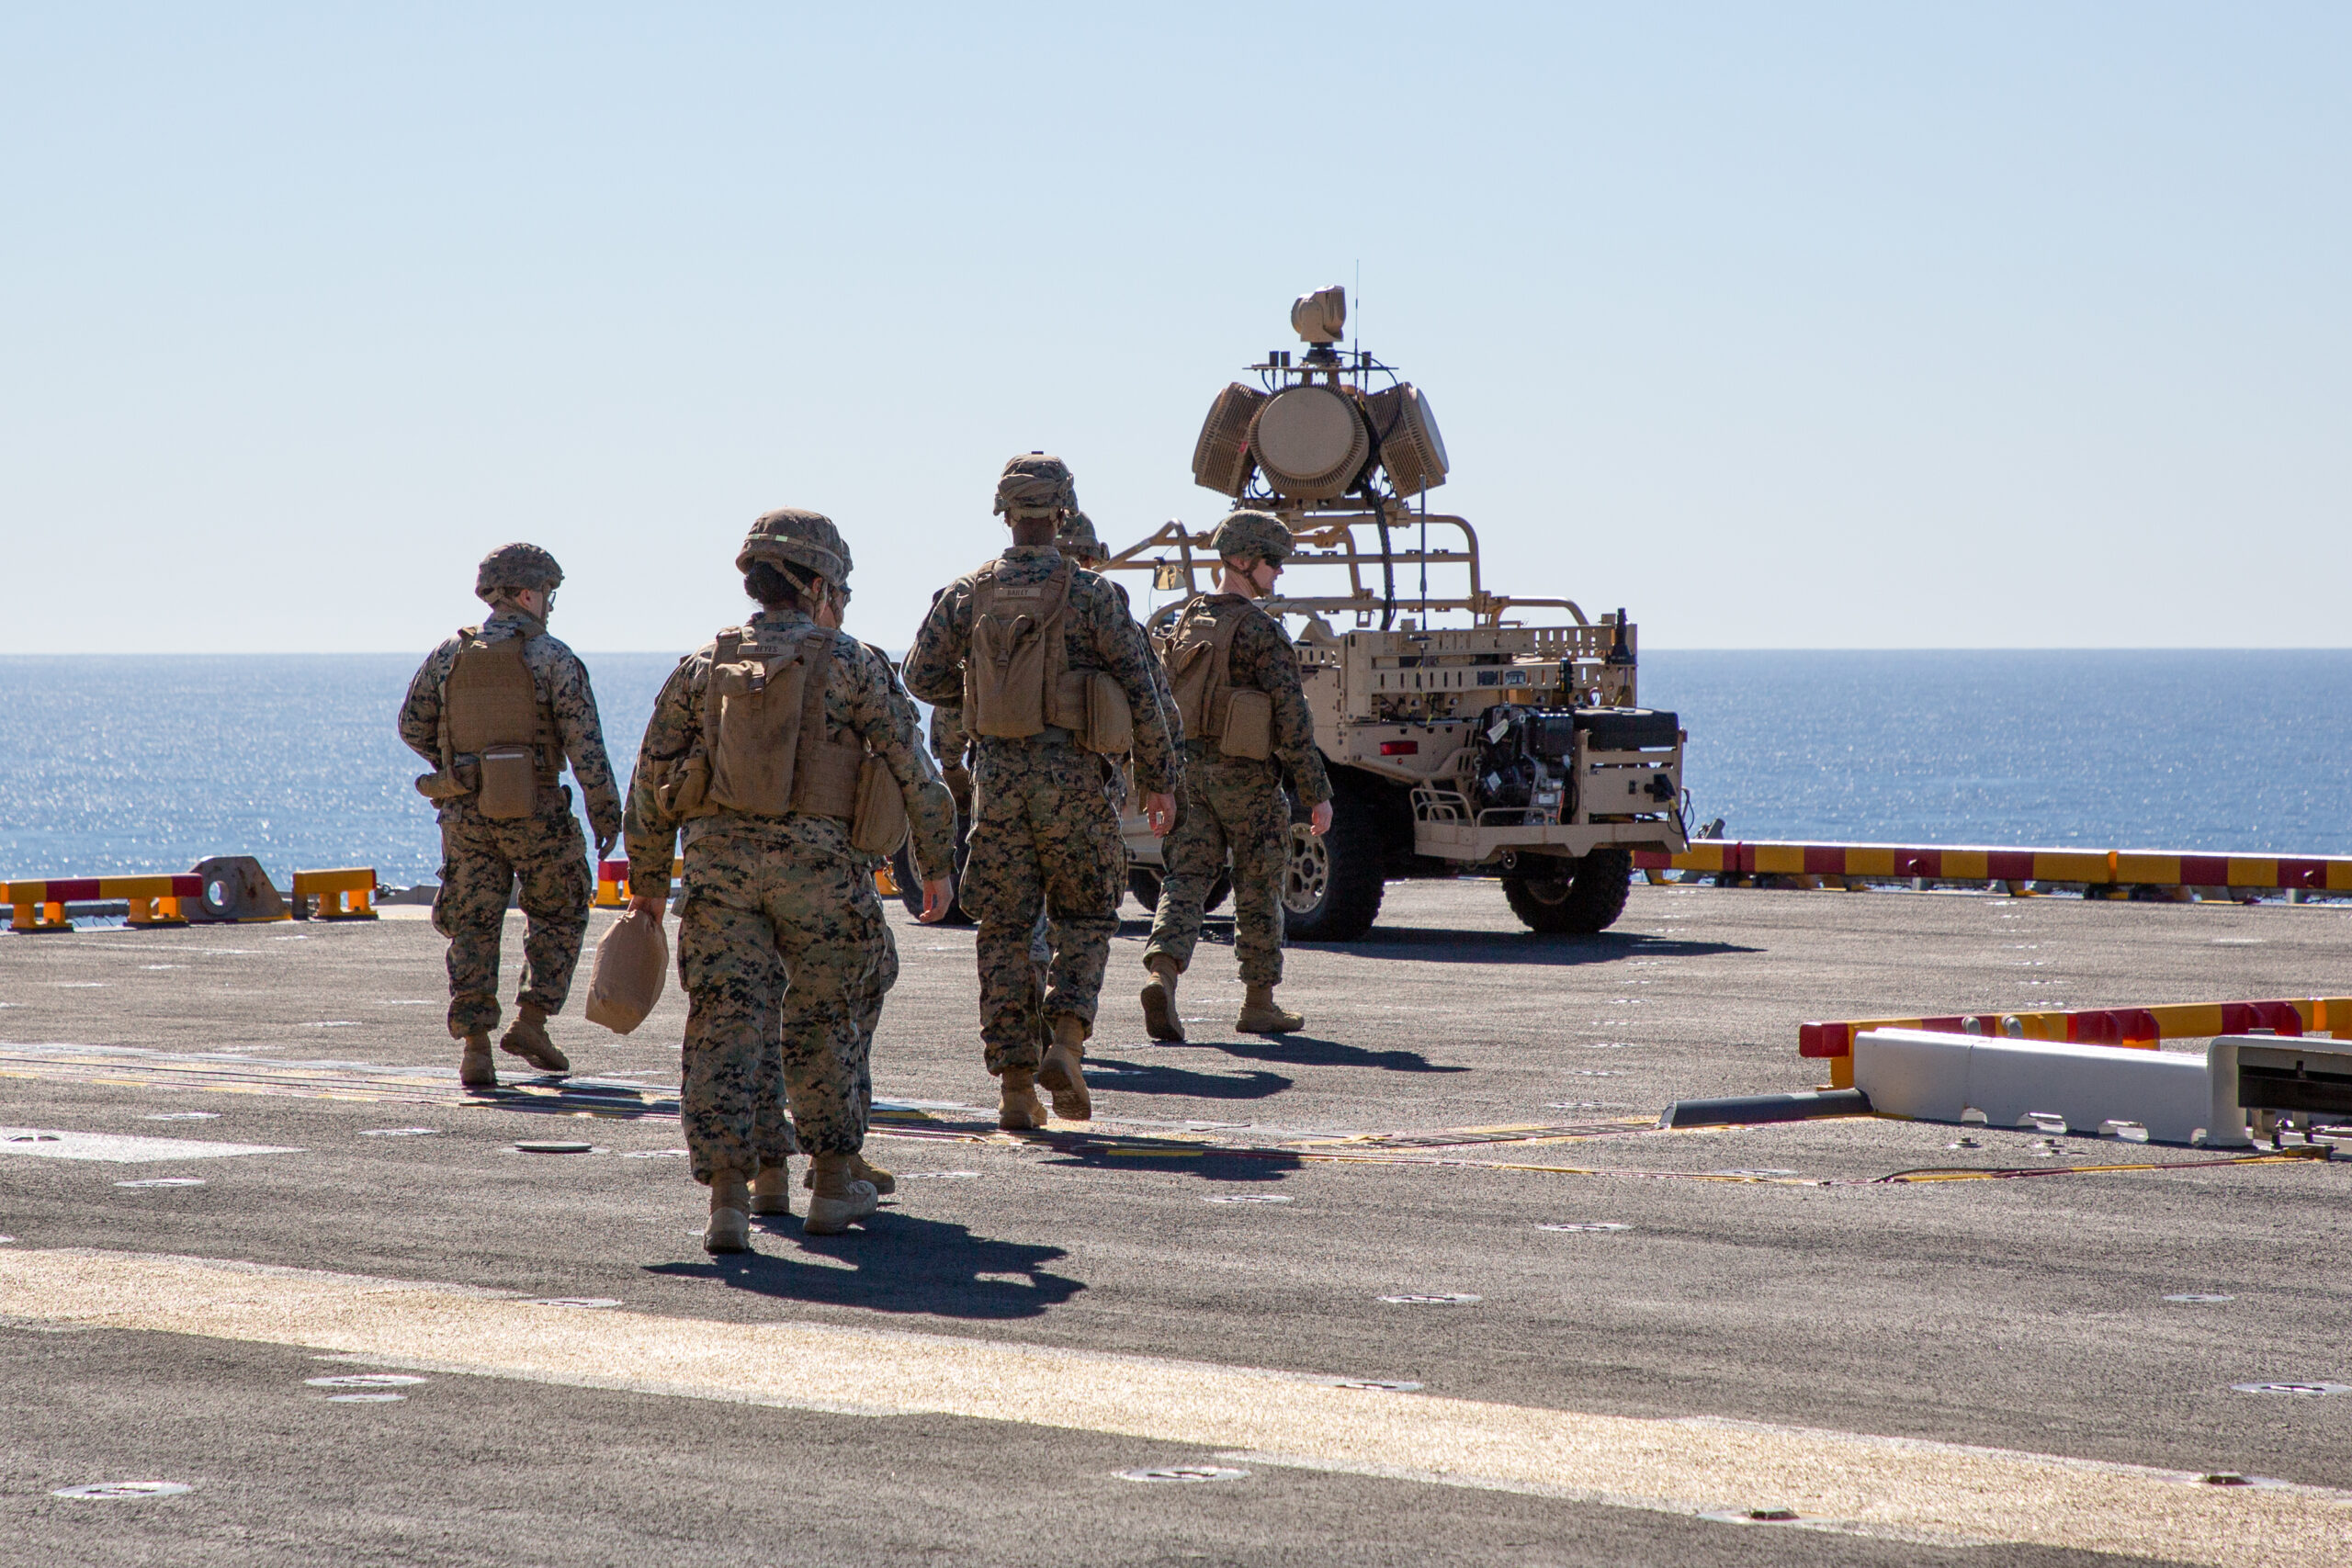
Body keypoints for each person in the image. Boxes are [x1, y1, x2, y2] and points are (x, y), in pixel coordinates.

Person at [624, 509, 955, 1250]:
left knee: (725, 1022)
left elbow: (650, 776)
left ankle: (733, 1200)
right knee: (828, 1014)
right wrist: (935, 865)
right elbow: (916, 771)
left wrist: (647, 878)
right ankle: (833, 1182)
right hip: (822, 874)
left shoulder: (704, 666)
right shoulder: (853, 661)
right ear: (812, 585)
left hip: (719, 877)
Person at [903, 455, 1180, 1130]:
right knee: (1084, 916)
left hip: (996, 782)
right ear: (1062, 512)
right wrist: (1159, 780)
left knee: (1001, 932)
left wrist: (979, 697)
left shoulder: (969, 593)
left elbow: (919, 674)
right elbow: (1144, 689)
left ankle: (1016, 1089)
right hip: (1077, 782)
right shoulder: (1092, 594)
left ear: (1006, 514)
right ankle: (1066, 1040)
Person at [399, 543, 622, 1089]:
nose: (548, 605)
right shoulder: (552, 657)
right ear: (527, 594)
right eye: (547, 595)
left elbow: (411, 725)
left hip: (465, 815)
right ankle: (532, 1021)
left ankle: (476, 1049)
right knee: (561, 910)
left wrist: (461, 768)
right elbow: (585, 745)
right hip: (535, 809)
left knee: (472, 924)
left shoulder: (448, 654)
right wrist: (605, 811)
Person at [1141, 510, 1332, 1040]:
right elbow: (1294, 719)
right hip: (1247, 780)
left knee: (1185, 880)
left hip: (1189, 775)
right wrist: (1316, 793)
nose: (1278, 573)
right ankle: (1258, 1002)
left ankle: (1163, 973)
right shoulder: (1263, 632)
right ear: (1243, 561)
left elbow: (1158, 702)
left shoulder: (1188, 618)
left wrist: (1155, 777)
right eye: (1273, 562)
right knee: (1258, 884)